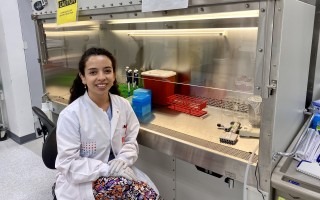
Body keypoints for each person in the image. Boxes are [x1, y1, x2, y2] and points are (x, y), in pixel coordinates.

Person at [54, 47, 159, 200]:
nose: (101, 77)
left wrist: (122, 160)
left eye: (107, 71)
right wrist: (106, 169)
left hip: (119, 171)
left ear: (114, 75)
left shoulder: (123, 105)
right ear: (83, 77)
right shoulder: (71, 115)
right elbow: (68, 164)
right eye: (93, 72)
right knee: (137, 193)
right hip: (84, 180)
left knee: (149, 194)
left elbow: (131, 140)